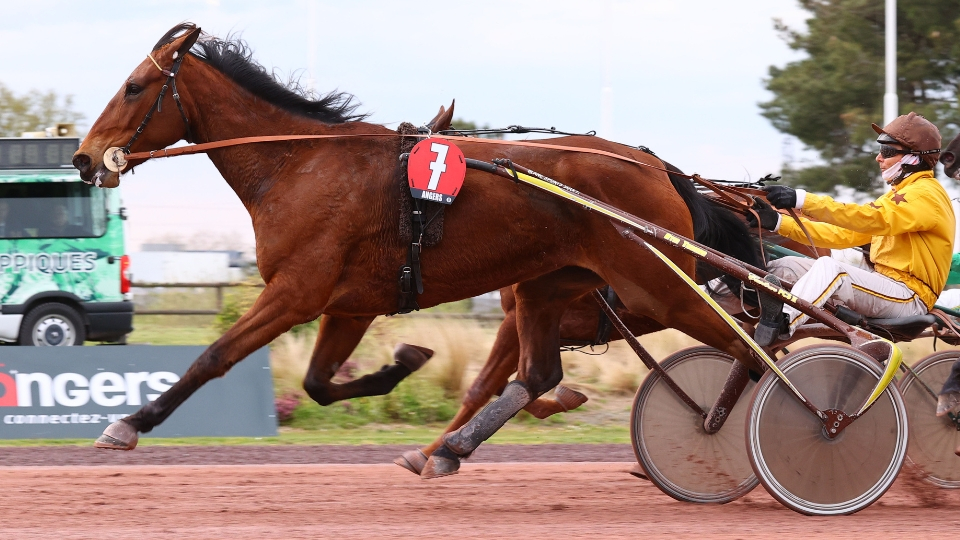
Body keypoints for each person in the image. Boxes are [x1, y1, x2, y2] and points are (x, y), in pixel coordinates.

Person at [748, 113, 956, 416]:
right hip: (884, 289)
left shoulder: (926, 195)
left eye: (887, 151)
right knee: (788, 266)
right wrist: (778, 222)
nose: (878, 158)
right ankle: (746, 314)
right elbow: (843, 234)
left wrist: (803, 199)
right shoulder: (900, 196)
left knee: (833, 270)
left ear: (913, 158)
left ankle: (778, 327)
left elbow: (866, 217)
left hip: (909, 298)